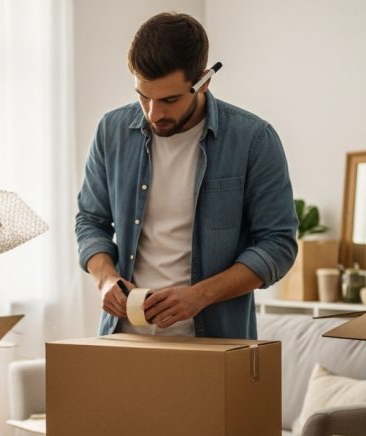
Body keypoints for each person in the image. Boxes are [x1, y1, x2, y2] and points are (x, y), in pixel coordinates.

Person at [75, 12, 297, 339]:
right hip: (123, 339)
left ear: (204, 81)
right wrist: (105, 278)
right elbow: (91, 220)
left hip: (214, 343)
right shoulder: (111, 131)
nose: (153, 113)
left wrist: (200, 296)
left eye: (169, 99)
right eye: (143, 96)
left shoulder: (254, 140)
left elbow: (278, 245)